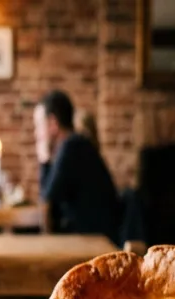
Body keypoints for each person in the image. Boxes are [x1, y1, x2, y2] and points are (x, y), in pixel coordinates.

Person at [33, 90, 120, 241]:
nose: (36, 133)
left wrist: (43, 160)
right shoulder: (76, 145)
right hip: (90, 240)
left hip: (93, 245)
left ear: (53, 124)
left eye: (38, 125)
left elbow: (46, 203)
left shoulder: (72, 147)